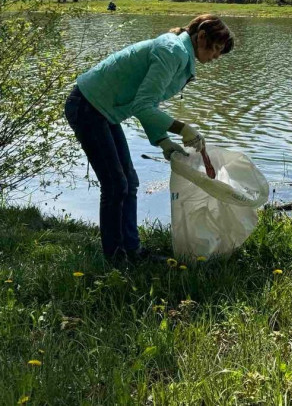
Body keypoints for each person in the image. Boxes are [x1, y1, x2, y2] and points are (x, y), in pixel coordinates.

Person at [64, 14, 234, 263]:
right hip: (88, 106)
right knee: (115, 184)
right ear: (202, 37)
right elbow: (143, 105)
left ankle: (132, 251)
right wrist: (183, 128)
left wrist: (162, 140)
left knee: (129, 181)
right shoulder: (173, 51)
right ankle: (115, 258)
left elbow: (146, 103)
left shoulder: (180, 53)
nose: (217, 56)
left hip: (104, 110)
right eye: (217, 48)